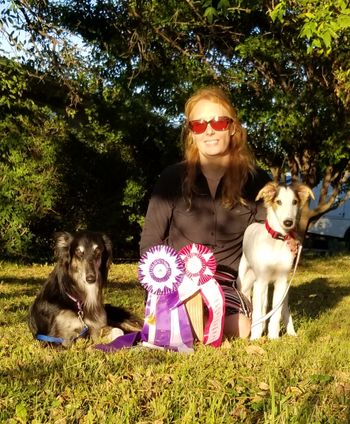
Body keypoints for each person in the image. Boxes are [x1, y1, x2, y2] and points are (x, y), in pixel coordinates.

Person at [139, 86, 271, 339]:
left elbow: (268, 237)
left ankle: (191, 328)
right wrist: (158, 287)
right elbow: (150, 242)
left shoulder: (257, 181)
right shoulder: (171, 178)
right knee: (188, 317)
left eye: (218, 122)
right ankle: (177, 321)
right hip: (173, 282)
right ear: (191, 133)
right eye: (198, 125)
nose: (208, 130)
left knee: (243, 327)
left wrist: (288, 240)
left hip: (227, 285)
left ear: (232, 127)